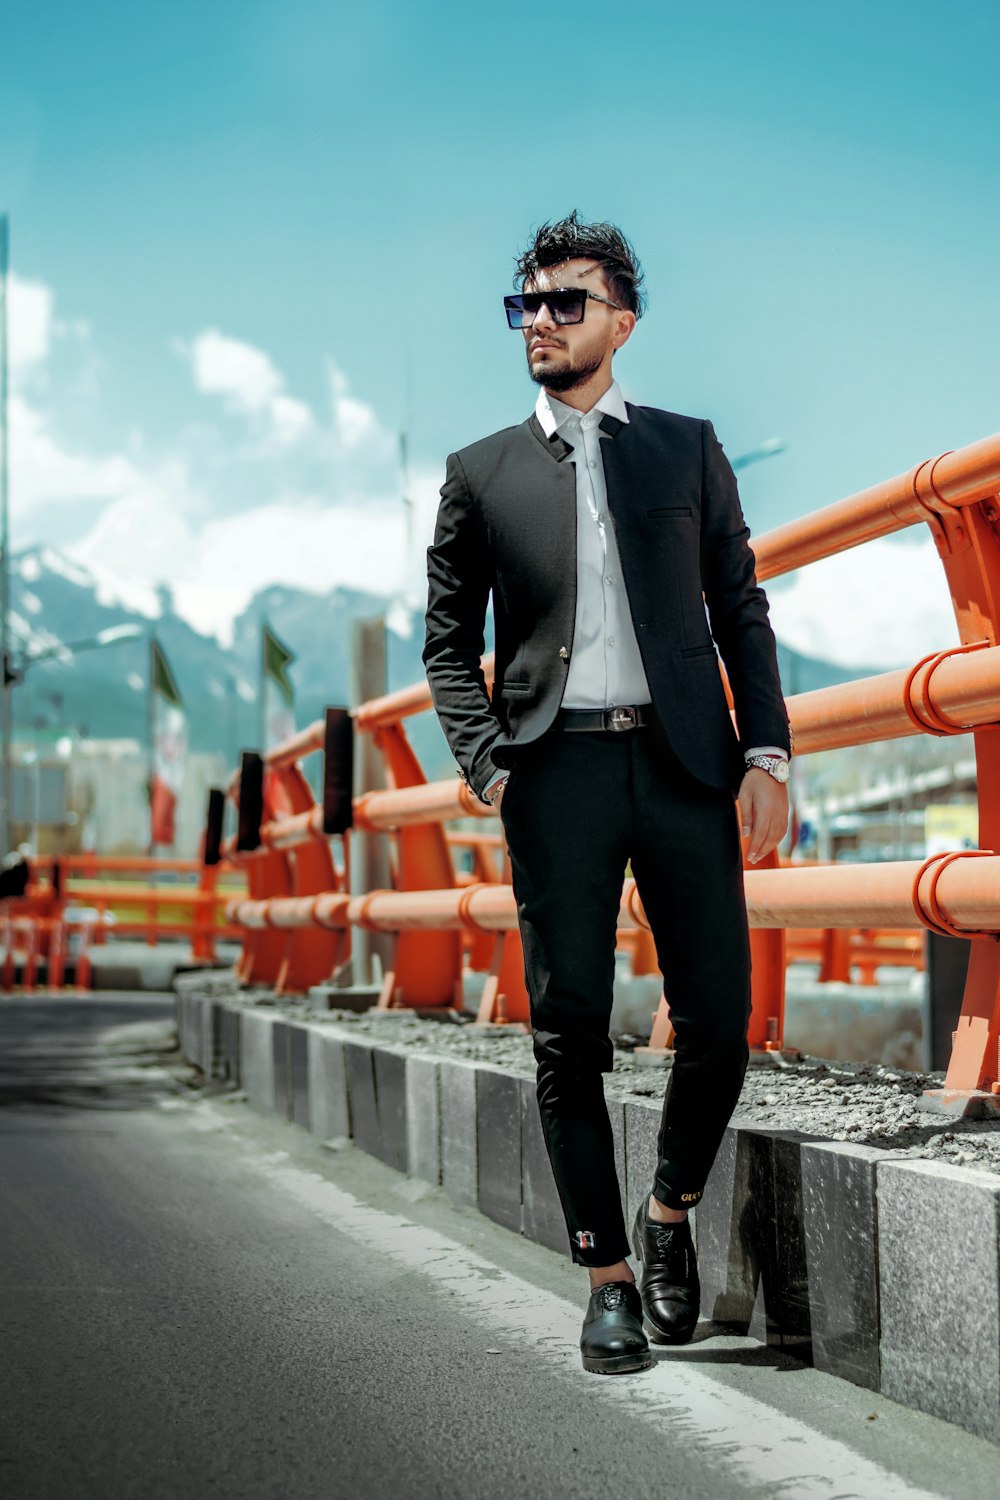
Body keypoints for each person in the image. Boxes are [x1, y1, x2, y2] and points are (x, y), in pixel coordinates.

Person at [422, 212, 791, 1375]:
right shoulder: (477, 474)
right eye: (524, 305)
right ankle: (607, 1280)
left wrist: (766, 753)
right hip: (556, 775)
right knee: (566, 1030)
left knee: (720, 1022)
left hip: (685, 766)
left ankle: (668, 1211)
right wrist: (487, 761)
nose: (539, 322)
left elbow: (739, 606)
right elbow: (445, 643)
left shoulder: (685, 448)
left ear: (621, 320)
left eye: (564, 302)